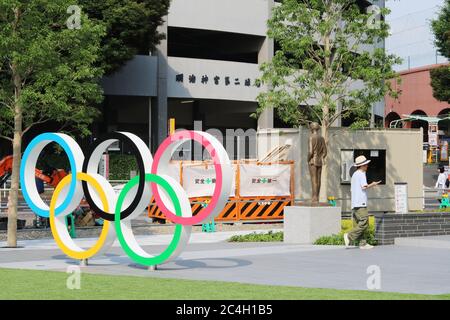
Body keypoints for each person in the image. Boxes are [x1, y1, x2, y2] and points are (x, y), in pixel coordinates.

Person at [344, 156, 381, 250]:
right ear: (362, 165)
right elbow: (364, 187)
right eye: (366, 164)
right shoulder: (361, 174)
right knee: (365, 222)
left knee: (358, 224)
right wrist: (373, 184)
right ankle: (349, 236)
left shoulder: (355, 174)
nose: (367, 166)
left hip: (354, 203)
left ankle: (362, 243)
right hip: (361, 203)